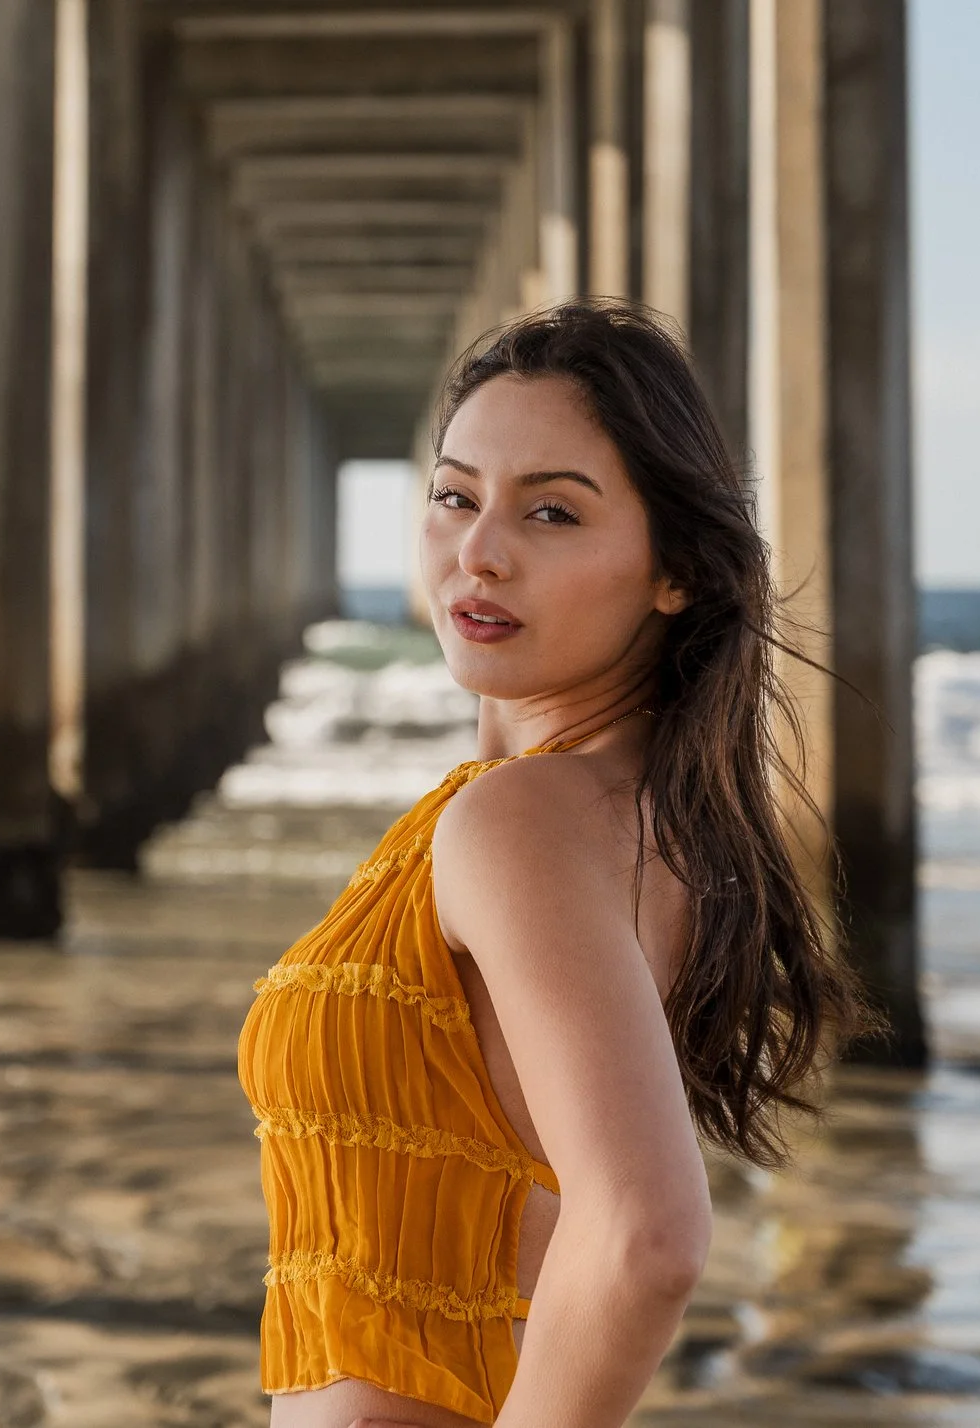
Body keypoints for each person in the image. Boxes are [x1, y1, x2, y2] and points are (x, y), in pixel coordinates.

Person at [237, 300, 867, 1427]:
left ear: (673, 571)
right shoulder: (619, 817)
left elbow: (647, 1236)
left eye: (552, 513)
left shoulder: (519, 824)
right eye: (453, 495)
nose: (478, 551)